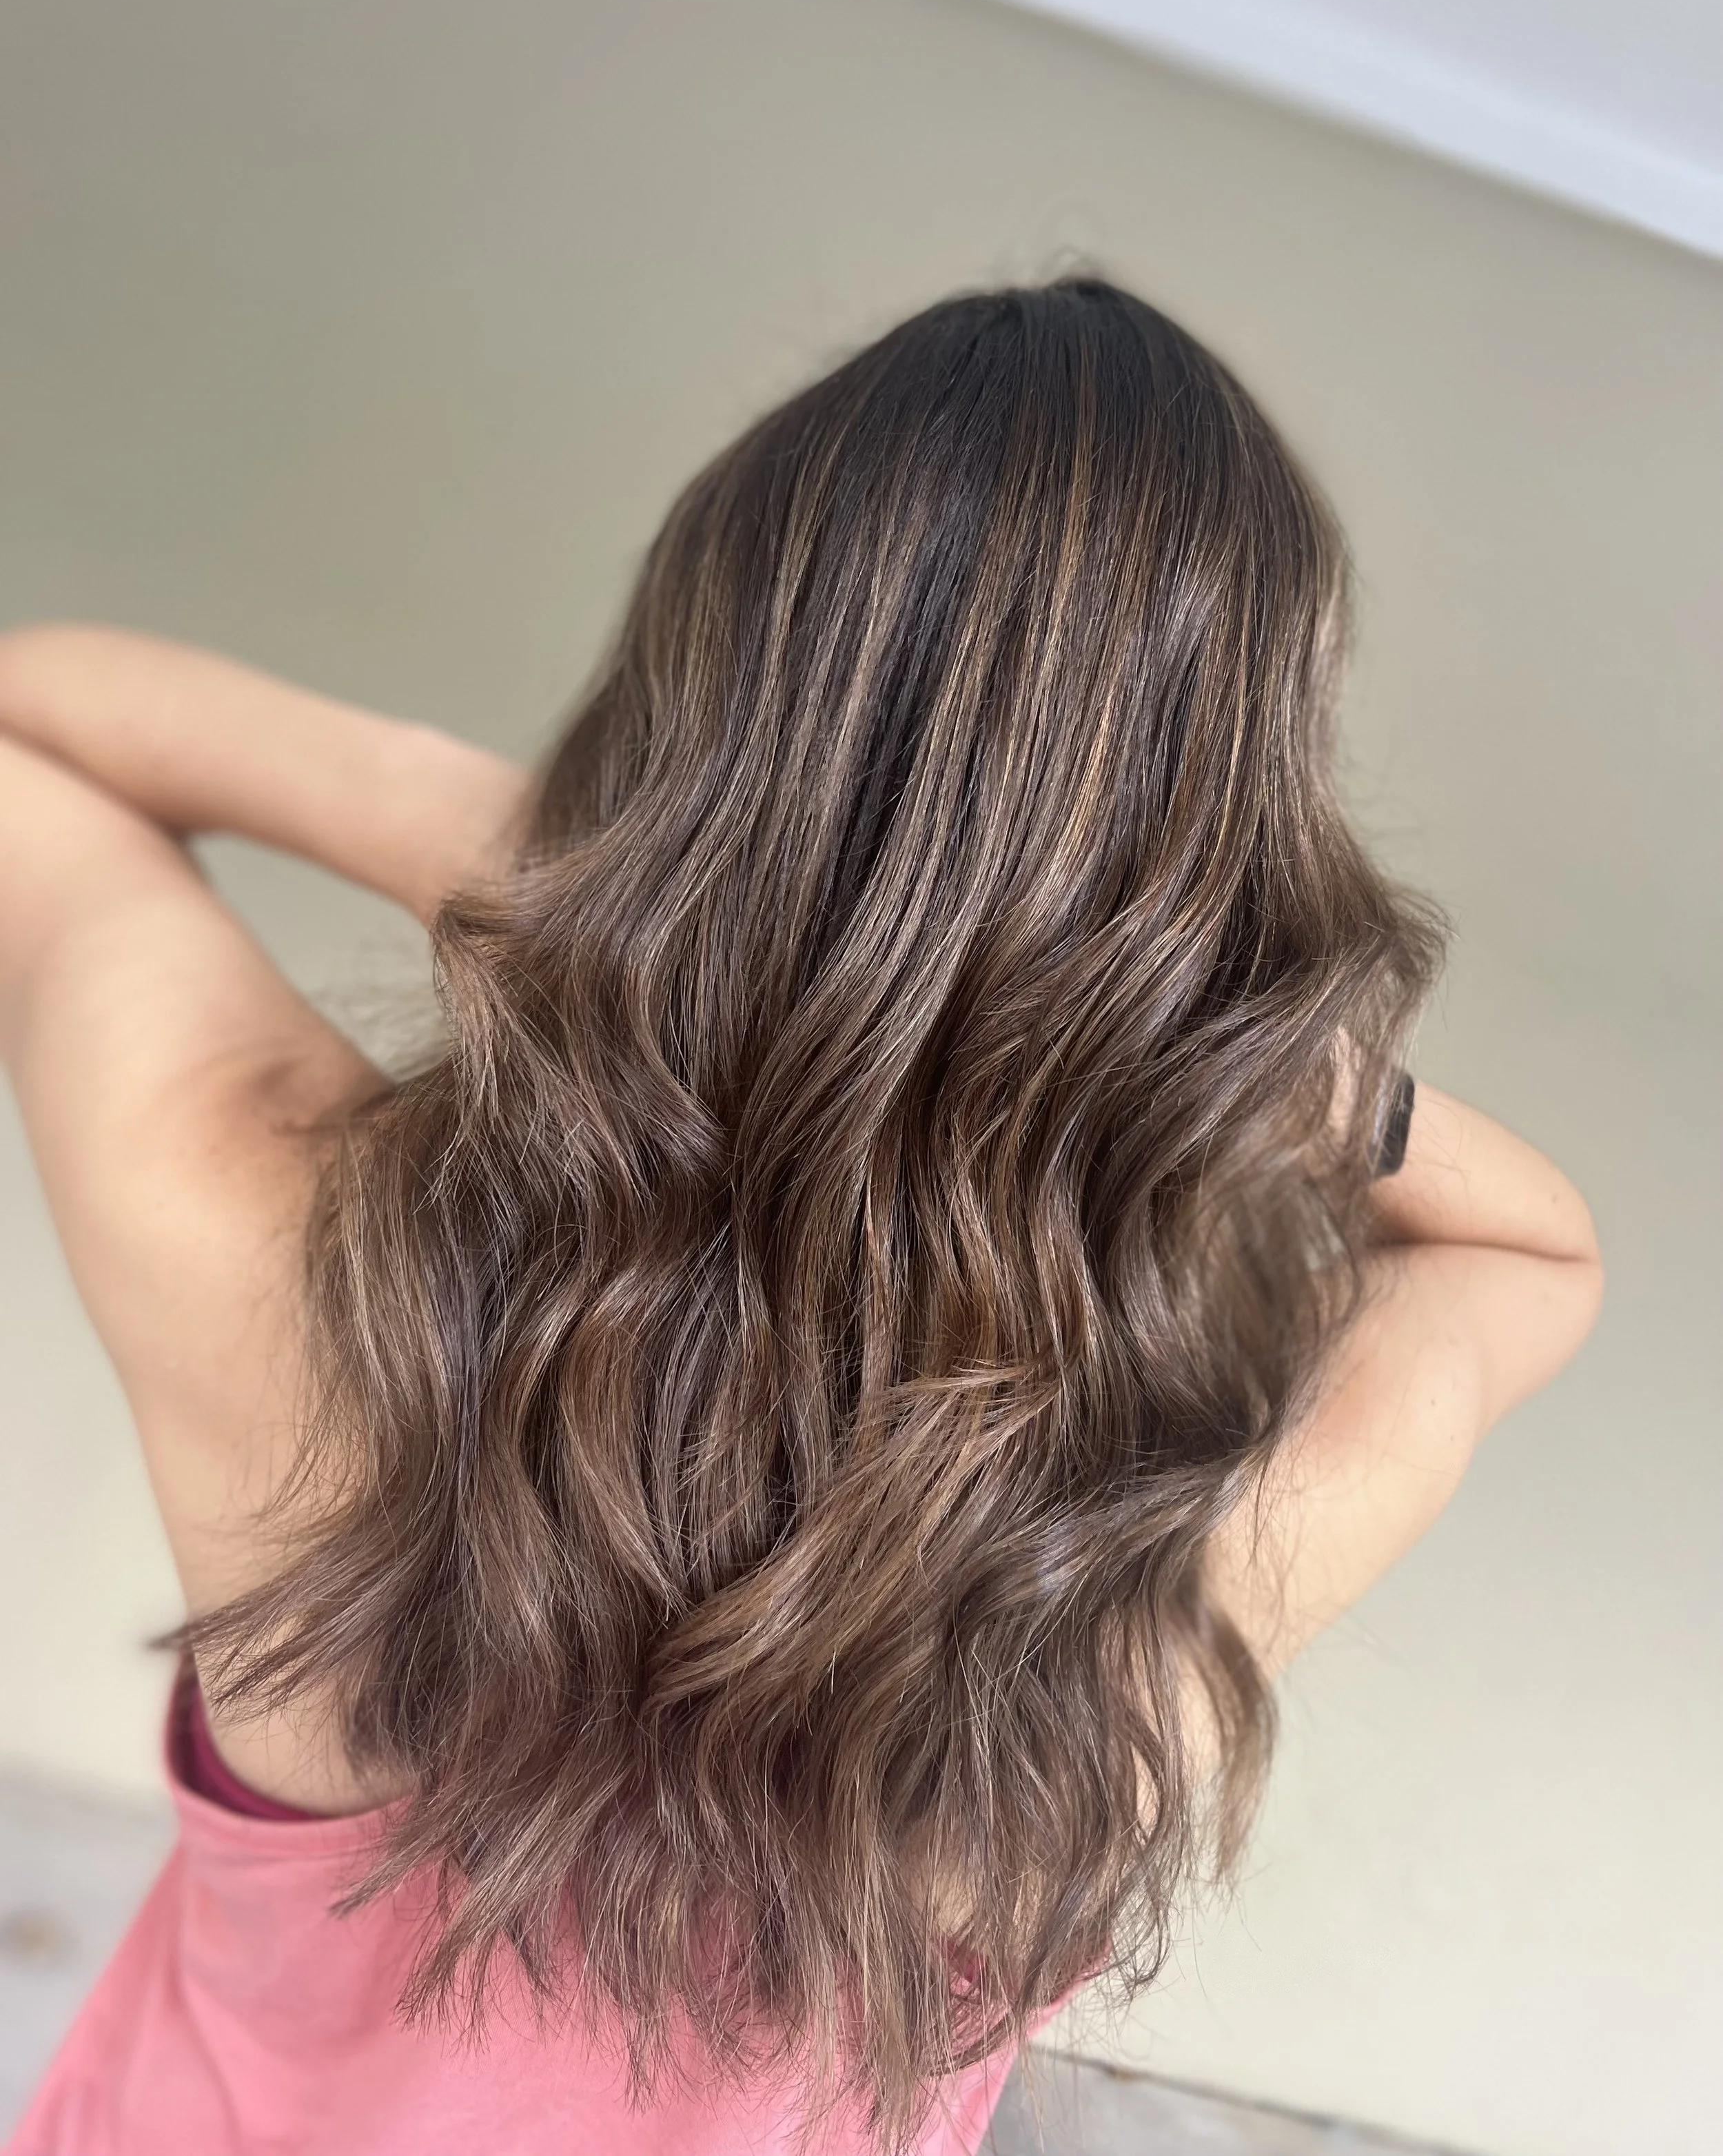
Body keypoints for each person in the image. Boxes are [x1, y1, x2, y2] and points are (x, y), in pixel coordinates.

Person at [0, 280, 1602, 2156]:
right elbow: (1531, 1248)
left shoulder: (262, 1228)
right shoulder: (1148, 1571)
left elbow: (29, 725)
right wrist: (1182, 1041)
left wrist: (595, 872)